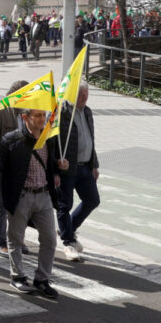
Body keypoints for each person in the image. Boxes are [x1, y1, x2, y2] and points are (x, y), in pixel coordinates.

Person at [0, 109, 68, 300]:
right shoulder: (11, 140)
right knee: (16, 240)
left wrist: (59, 166)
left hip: (43, 195)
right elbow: (0, 170)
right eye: (36, 115)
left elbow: (50, 165)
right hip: (21, 196)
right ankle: (18, 276)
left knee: (50, 240)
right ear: (25, 117)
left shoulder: (49, 138)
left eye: (42, 115)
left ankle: (42, 280)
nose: (41, 119)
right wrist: (3, 197)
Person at [0, 80, 29, 257]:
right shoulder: (0, 110)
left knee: (20, 206)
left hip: (21, 167)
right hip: (3, 166)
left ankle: (16, 240)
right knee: (1, 204)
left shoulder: (26, 112)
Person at [56, 83, 100, 262]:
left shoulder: (87, 112)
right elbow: (54, 141)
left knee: (92, 200)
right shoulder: (62, 113)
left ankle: (69, 229)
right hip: (68, 167)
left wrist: (94, 164)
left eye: (87, 94)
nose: (85, 98)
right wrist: (55, 168)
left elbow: (91, 139)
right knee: (64, 204)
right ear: (72, 95)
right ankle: (68, 242)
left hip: (85, 166)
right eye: (82, 95)